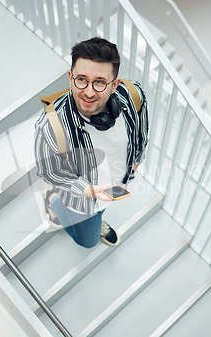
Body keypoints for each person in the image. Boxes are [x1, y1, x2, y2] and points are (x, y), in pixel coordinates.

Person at [34, 37, 149, 248]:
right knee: (87, 242)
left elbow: (141, 129)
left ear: (114, 85)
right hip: (81, 196)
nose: (88, 92)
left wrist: (138, 158)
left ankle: (96, 219)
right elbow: (48, 170)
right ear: (70, 78)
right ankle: (53, 199)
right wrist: (87, 190)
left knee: (99, 213)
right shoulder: (50, 126)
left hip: (116, 182)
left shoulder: (133, 95)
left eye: (99, 82)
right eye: (81, 80)